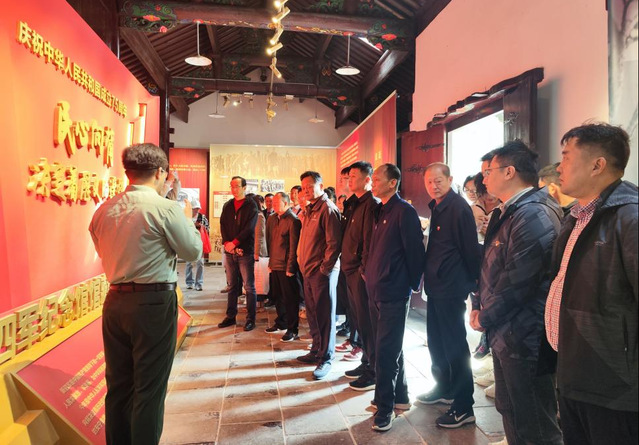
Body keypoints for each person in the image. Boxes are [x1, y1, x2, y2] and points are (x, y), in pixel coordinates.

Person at [89, 143, 202, 445]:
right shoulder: (165, 208)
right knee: (149, 389)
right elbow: (192, 251)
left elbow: (102, 250)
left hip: (115, 301)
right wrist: (186, 217)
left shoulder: (104, 210)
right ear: (161, 173)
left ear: (128, 171)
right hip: (153, 303)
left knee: (118, 386)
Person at [546, 123, 637, 445]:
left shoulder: (630, 218)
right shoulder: (576, 217)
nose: (559, 167)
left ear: (597, 165)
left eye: (567, 157)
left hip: (614, 387)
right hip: (576, 371)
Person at [470, 140, 563, 445]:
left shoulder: (533, 214)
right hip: (506, 330)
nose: (484, 178)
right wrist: (477, 304)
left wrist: (485, 316)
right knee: (510, 409)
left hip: (526, 335)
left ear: (509, 172)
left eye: (489, 172)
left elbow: (518, 281)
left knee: (534, 421)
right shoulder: (508, 211)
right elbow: (488, 265)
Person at [417, 162, 481, 429]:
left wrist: (475, 286)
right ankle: (444, 388)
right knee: (437, 342)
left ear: (450, 179)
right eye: (429, 181)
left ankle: (464, 405)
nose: (433, 185)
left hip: (451, 287)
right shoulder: (438, 206)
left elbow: (470, 250)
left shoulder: (458, 208)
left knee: (454, 346)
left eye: (438, 181)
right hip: (436, 285)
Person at [366, 163, 425, 432]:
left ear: (393, 183)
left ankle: (385, 407)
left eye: (377, 179)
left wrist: (410, 285)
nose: (373, 183)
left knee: (386, 351)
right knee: (388, 347)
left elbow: (415, 253)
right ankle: (400, 397)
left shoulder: (404, 211)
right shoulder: (381, 209)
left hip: (393, 291)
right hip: (376, 289)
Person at [296, 171, 342, 380]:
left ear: (321, 186)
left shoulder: (327, 209)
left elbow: (333, 244)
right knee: (313, 314)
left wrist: (324, 270)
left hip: (322, 273)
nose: (306, 190)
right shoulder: (309, 209)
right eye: (303, 187)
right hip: (308, 270)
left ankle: (326, 358)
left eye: (310, 186)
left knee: (325, 317)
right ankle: (316, 350)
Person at [341, 161, 379, 391]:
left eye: (354, 176)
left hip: (359, 271)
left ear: (367, 180)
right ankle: (366, 362)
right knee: (359, 321)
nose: (349, 180)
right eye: (349, 176)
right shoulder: (354, 203)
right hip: (349, 268)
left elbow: (368, 241)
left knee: (367, 323)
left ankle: (373, 370)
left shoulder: (371, 204)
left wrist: (363, 270)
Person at [217, 176, 260, 331]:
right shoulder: (228, 205)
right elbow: (223, 225)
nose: (234, 189)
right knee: (232, 285)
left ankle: (250, 319)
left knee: (249, 286)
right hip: (230, 251)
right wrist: (227, 243)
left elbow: (249, 228)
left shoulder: (251, 205)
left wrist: (235, 243)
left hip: (245, 251)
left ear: (244, 187)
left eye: (237, 186)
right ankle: (230, 316)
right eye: (232, 186)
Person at [265, 192, 303, 341]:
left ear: (286, 203)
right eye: (273, 203)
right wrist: (270, 262)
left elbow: (294, 247)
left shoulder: (293, 220)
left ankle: (292, 329)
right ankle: (281, 322)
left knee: (290, 299)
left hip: (287, 266)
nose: (273, 205)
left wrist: (291, 267)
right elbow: (270, 242)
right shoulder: (272, 218)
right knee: (277, 297)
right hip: (275, 264)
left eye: (277, 203)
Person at [185, 199, 209, 291]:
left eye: (198, 208)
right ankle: (189, 282)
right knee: (189, 263)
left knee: (200, 263)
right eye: (195, 208)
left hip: (200, 243)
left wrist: (201, 227)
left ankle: (199, 283)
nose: (197, 210)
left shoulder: (202, 217)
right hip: (189, 242)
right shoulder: (186, 217)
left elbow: (208, 228)